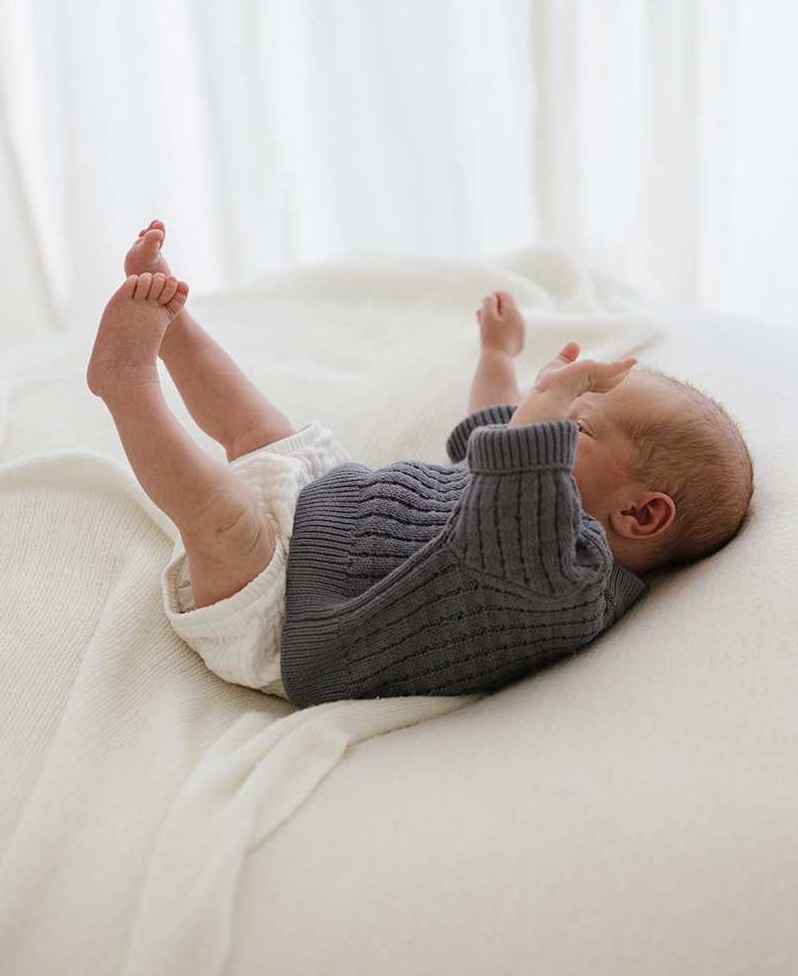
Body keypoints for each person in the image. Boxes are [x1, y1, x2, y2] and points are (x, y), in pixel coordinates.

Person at [87, 222, 753, 706]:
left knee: (225, 522)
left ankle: (128, 386)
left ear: (639, 513)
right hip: (328, 513)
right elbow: (491, 436)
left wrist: (551, 399)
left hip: (297, 621)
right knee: (260, 429)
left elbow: (516, 466)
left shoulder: (569, 580)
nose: (546, 425)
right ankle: (175, 324)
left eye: (576, 428)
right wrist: (499, 357)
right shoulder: (525, 496)